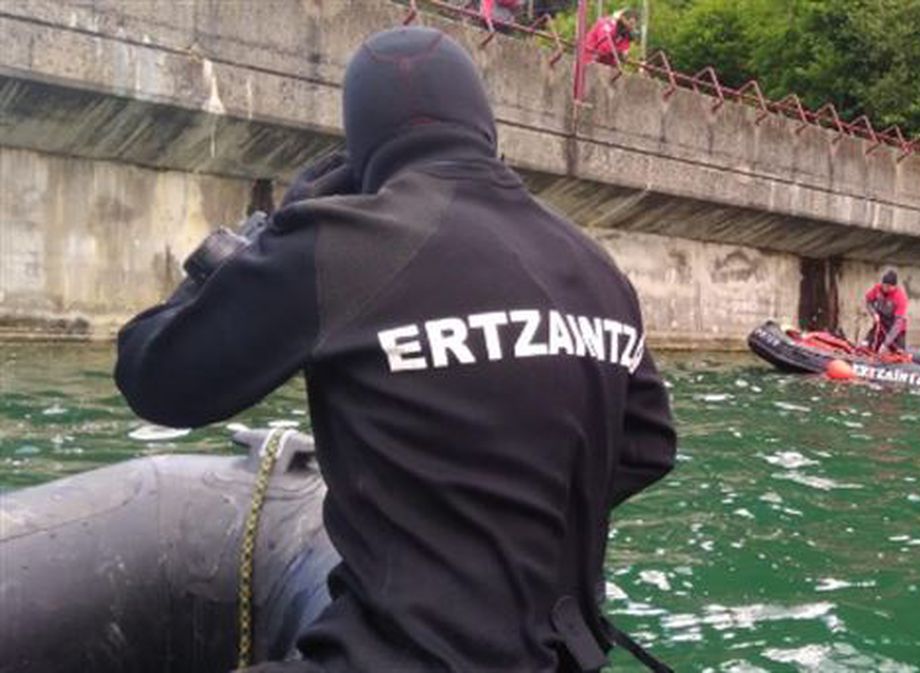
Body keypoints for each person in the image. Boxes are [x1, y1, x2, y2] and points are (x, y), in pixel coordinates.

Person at [115, 26, 676, 673]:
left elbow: (156, 377)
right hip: (564, 655)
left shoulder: (338, 242)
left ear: (361, 147)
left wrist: (255, 242)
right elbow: (649, 444)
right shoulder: (596, 266)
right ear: (485, 126)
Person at [864, 269, 908, 353]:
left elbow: (897, 324)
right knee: (866, 346)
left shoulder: (900, 298)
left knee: (899, 354)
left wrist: (886, 343)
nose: (885, 288)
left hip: (895, 328)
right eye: (884, 285)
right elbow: (868, 301)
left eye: (888, 286)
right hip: (880, 323)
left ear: (894, 286)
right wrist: (874, 313)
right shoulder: (877, 288)